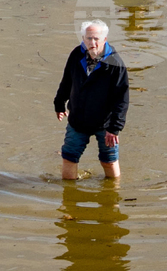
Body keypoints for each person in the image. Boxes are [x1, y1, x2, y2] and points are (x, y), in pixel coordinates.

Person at [54, 20, 129, 180]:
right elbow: (67, 81)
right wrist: (59, 103)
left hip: (106, 124)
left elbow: (121, 99)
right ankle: (69, 199)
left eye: (96, 38)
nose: (92, 43)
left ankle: (113, 196)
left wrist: (114, 128)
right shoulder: (76, 55)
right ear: (83, 38)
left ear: (105, 39)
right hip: (78, 119)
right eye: (88, 38)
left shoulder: (116, 64)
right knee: (69, 157)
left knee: (109, 161)